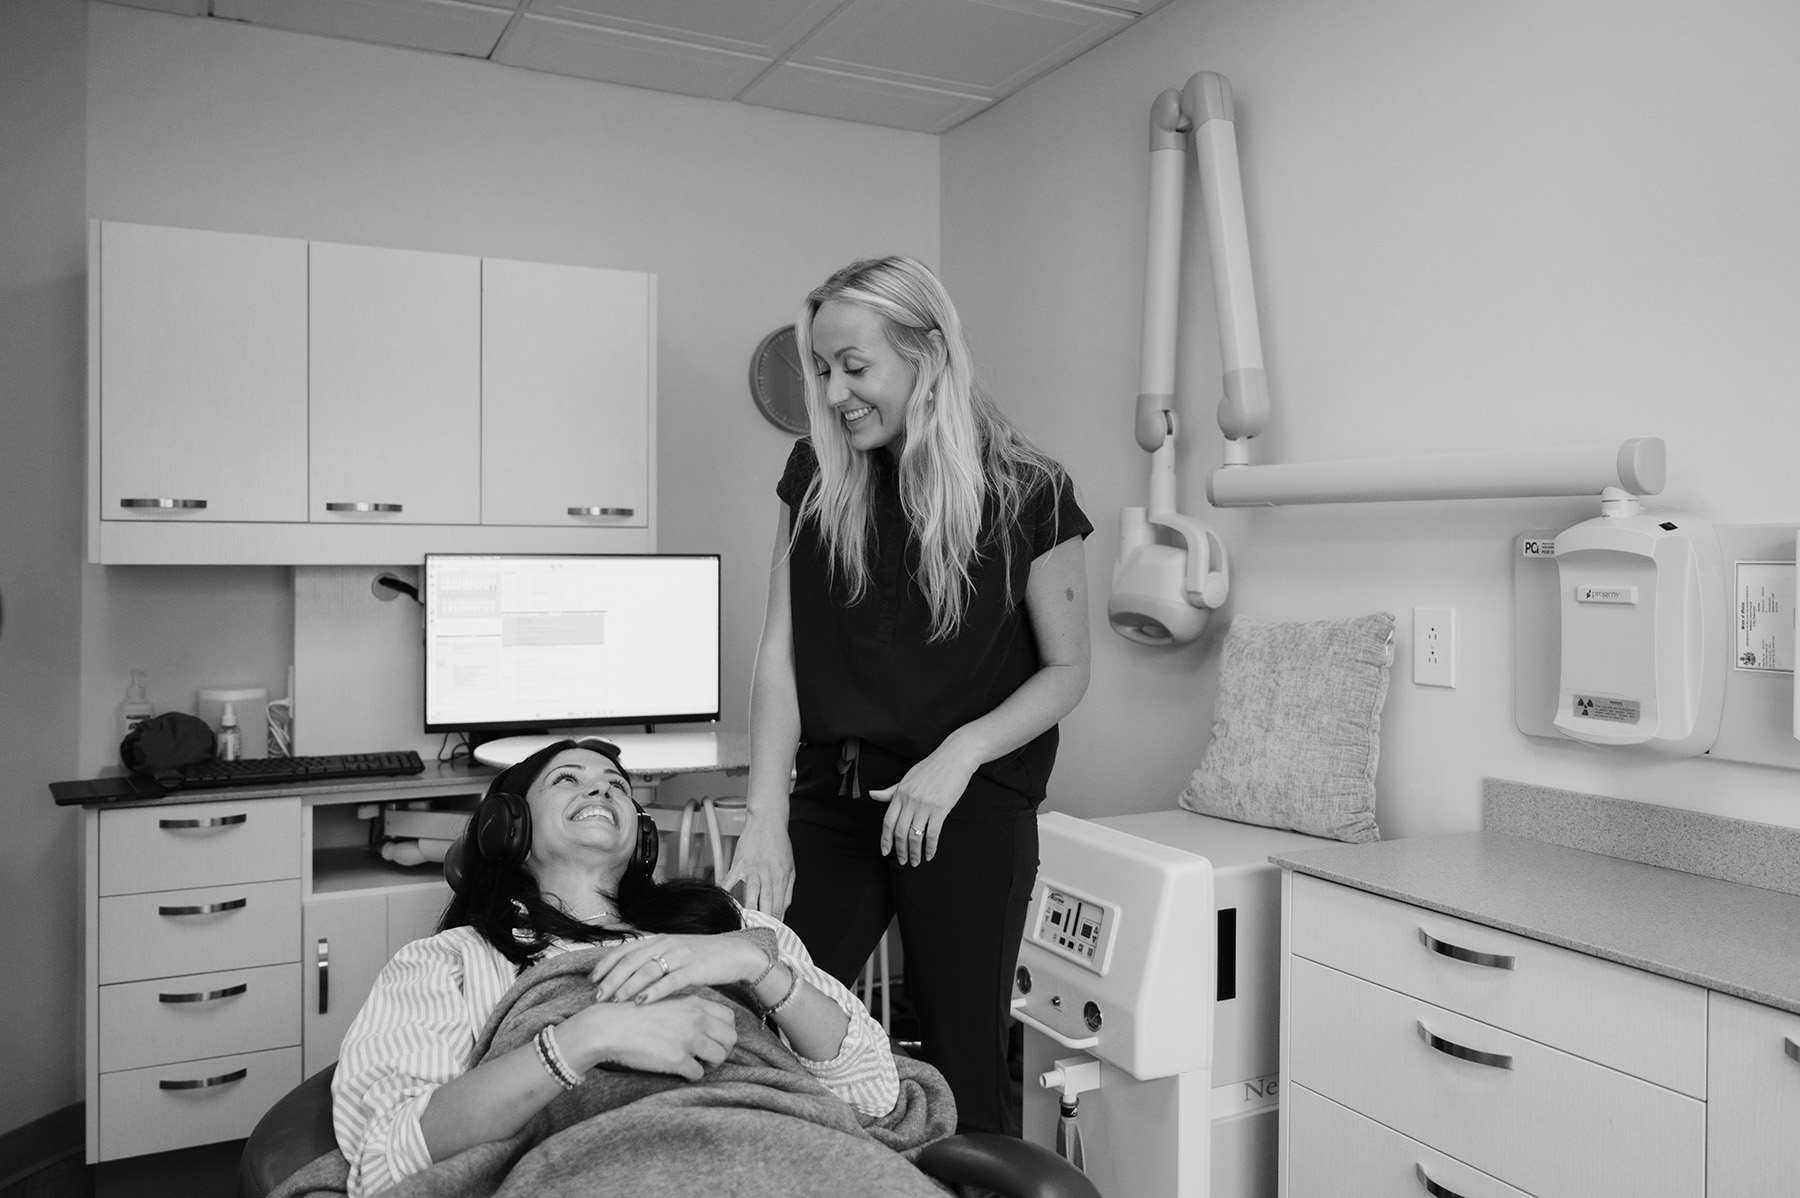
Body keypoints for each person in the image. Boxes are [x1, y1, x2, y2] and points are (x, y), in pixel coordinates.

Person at [725, 255, 1092, 1137]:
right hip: (835, 794)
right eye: (822, 370)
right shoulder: (815, 474)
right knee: (758, 1019)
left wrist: (961, 753)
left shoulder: (1029, 491)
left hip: (966, 804)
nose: (834, 394)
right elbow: (780, 650)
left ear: (926, 354)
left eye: (855, 366)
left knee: (965, 1062)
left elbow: (1068, 671)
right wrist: (765, 813)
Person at [332, 738, 939, 1198]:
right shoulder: (451, 961)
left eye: (616, 787)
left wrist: (759, 968)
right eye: (567, 779)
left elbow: (874, 1096)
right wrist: (586, 1037)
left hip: (803, 1159)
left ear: (641, 835)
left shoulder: (737, 928)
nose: (601, 792)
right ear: (507, 826)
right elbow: (388, 1161)